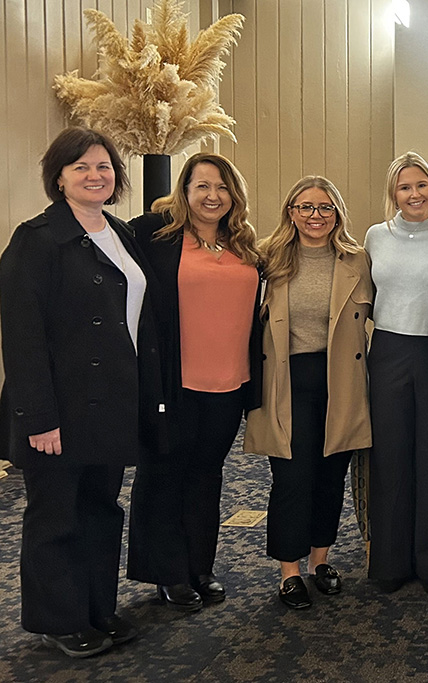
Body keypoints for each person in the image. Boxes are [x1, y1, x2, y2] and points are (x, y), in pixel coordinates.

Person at [0, 127, 166, 657]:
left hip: (113, 401)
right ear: (59, 176)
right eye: (81, 168)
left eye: (103, 167)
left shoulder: (121, 232)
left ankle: (97, 607)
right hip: (59, 408)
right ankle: (58, 618)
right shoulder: (38, 238)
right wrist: (37, 417)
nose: (95, 176)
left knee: (101, 508)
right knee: (56, 515)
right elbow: (22, 335)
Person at [126, 153, 263, 611]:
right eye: (202, 186)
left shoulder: (244, 245)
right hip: (174, 383)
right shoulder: (155, 237)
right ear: (184, 191)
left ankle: (201, 566)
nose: (212, 196)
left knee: (207, 477)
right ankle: (168, 572)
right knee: (165, 475)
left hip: (230, 384)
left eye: (222, 187)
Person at [243, 176, 373, 609]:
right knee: (292, 478)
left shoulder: (357, 260)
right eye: (305, 207)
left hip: (341, 380)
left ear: (337, 214)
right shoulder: (268, 258)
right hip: (286, 380)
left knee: (330, 474)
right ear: (291, 212)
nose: (315, 216)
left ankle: (321, 561)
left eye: (324, 208)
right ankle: (289, 571)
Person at [365, 152, 428, 594]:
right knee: (389, 459)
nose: (415, 194)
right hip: (388, 349)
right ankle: (389, 563)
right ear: (394, 193)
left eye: (422, 185)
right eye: (405, 187)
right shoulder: (374, 237)